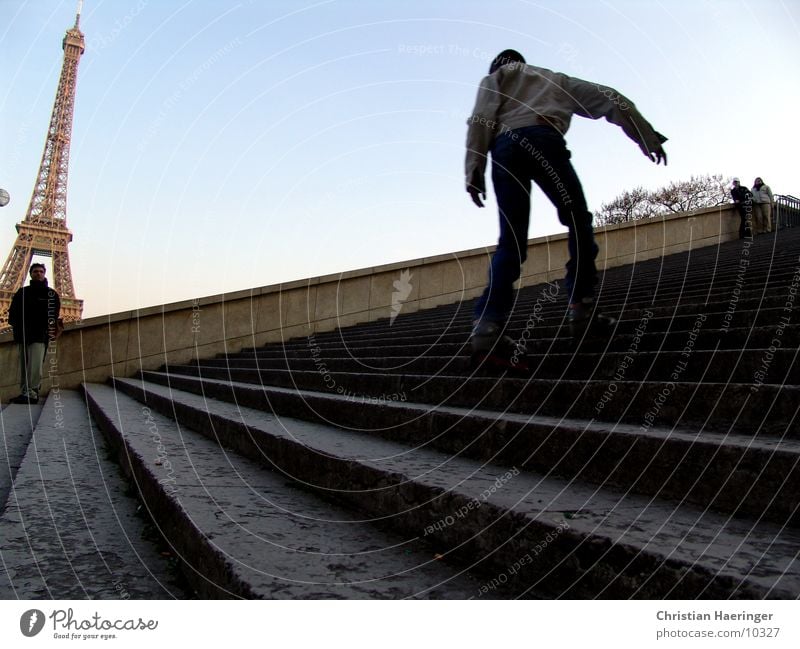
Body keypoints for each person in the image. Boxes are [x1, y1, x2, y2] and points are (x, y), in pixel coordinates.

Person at [465, 49, 667, 365]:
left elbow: (480, 119)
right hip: (543, 138)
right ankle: (581, 306)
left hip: (505, 149)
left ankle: (487, 327)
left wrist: (474, 169)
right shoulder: (552, 79)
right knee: (577, 220)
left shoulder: (494, 78)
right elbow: (611, 98)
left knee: (512, 241)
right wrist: (646, 137)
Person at [7, 263, 60, 405]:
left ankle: (33, 393)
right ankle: (25, 392)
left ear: (44, 273)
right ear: (30, 273)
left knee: (35, 366)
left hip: (39, 335)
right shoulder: (22, 292)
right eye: (35, 271)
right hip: (23, 335)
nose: (38, 273)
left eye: (41, 271)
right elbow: (12, 314)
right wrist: (18, 329)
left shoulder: (52, 294)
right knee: (25, 366)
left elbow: (53, 316)